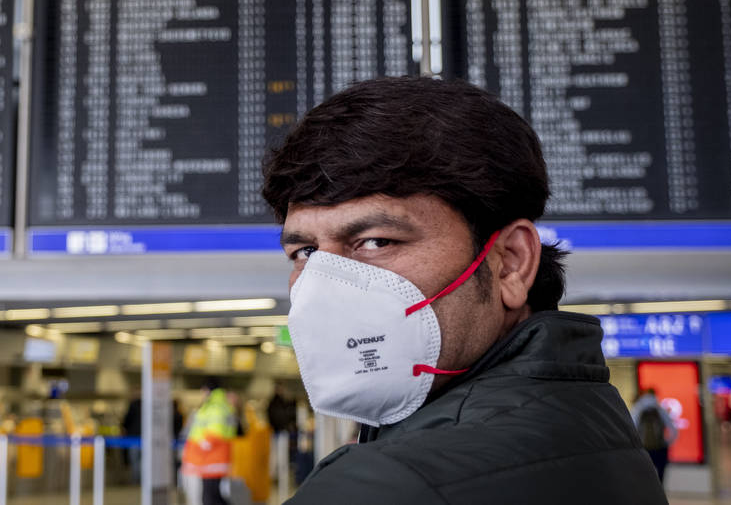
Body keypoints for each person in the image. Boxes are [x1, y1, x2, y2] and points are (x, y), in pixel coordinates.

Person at [261, 76, 668, 505]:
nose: (327, 284)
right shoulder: (591, 421)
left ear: (510, 262)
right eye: (306, 251)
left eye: (378, 241)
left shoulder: (389, 484)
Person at [181, 378, 237, 505]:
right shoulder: (219, 405)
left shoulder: (215, 407)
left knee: (210, 498)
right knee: (213, 495)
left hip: (212, 459)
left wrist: (200, 448)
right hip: (212, 459)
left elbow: (215, 433)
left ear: (208, 390)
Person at [631, 387, 678, 482]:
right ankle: (660, 494)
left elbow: (631, 428)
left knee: (644, 478)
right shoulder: (660, 408)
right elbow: (673, 430)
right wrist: (667, 443)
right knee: (660, 478)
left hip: (644, 449)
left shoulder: (638, 408)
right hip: (660, 448)